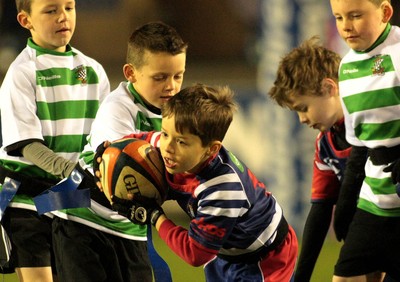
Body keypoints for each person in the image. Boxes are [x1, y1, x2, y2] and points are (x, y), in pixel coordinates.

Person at [96, 84, 299, 282]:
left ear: (211, 149)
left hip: (265, 257)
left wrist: (155, 216)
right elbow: (136, 143)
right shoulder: (166, 149)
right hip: (224, 251)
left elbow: (194, 254)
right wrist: (109, 152)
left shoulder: (222, 190)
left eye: (182, 142)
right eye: (166, 133)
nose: (167, 147)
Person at [50, 21, 188, 282]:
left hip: (127, 226)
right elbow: (128, 170)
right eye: (160, 77)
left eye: (178, 76)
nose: (171, 86)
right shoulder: (118, 109)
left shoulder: (178, 111)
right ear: (131, 73)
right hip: (82, 221)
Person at [267, 37, 399, 282]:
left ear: (330, 88)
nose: (301, 119)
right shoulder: (325, 143)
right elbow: (320, 210)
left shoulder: (375, 123)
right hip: (368, 234)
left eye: (303, 108)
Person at [0, 0, 110, 281]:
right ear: (26, 21)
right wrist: (71, 172)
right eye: (51, 11)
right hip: (27, 199)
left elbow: (104, 140)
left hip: (72, 198)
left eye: (69, 8)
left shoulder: (92, 71)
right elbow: (27, 145)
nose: (63, 17)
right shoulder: (21, 73)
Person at [329, 0, 400, 280]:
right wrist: (346, 202)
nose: (346, 25)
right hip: (374, 202)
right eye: (338, 17)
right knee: (344, 277)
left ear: (385, 12)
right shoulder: (345, 67)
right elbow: (358, 146)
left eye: (356, 15)